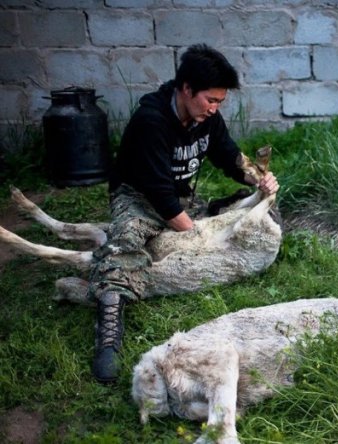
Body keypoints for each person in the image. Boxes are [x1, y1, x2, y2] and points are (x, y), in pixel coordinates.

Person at [90, 44, 279, 383]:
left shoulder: (207, 118)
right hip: (139, 198)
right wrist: (197, 236)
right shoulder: (151, 121)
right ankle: (109, 327)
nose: (215, 108)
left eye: (220, 101)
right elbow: (161, 196)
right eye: (211, 100)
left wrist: (256, 177)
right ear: (187, 89)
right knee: (126, 245)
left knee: (239, 204)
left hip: (181, 197)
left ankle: (208, 214)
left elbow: (229, 155)